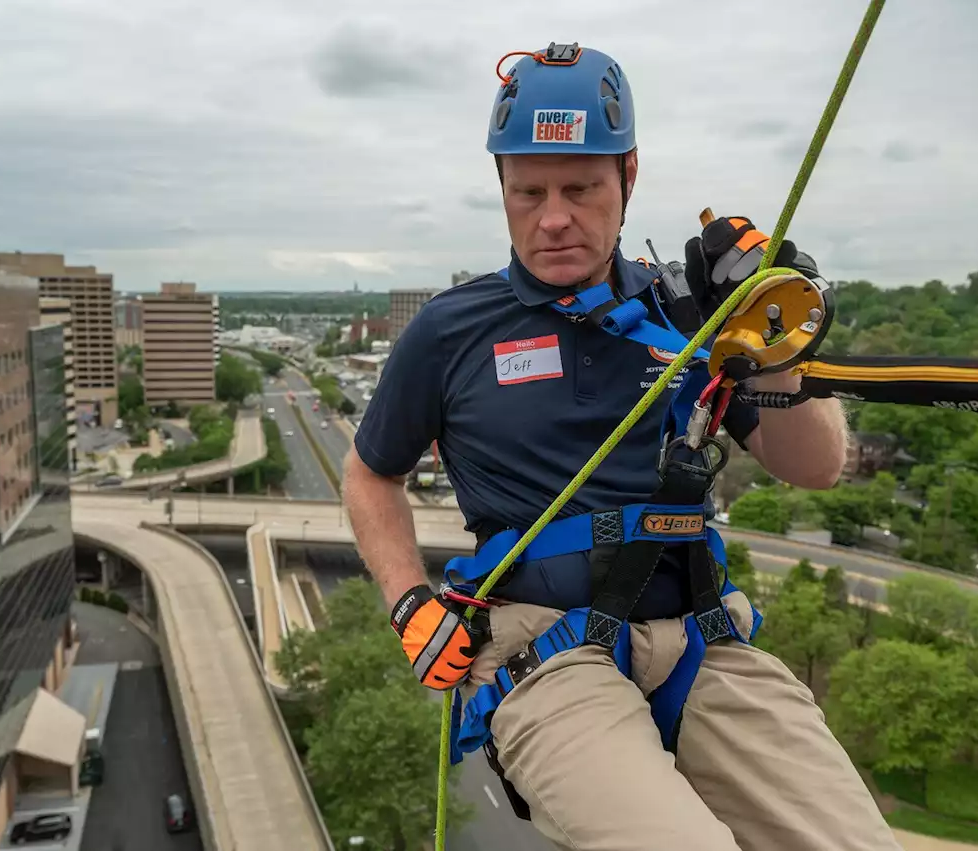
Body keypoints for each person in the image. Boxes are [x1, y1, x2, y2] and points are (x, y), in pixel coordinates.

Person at [342, 42, 900, 851]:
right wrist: (408, 601)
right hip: (546, 653)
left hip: (703, 640)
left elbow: (815, 466)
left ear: (628, 177)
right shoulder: (450, 331)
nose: (554, 215)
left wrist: (770, 333)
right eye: (527, 192)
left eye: (581, 188)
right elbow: (370, 471)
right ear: (500, 188)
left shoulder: (687, 315)